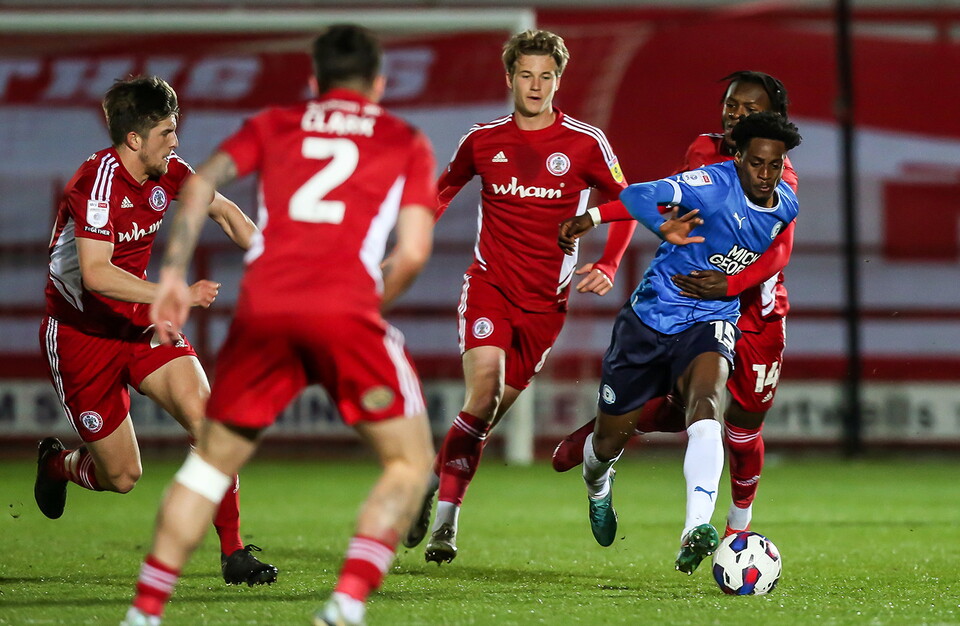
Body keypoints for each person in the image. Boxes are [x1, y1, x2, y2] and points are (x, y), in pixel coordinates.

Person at [121, 25, 437, 626]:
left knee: (209, 465)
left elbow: (201, 186)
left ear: (314, 83)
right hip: (344, 307)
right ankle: (344, 605)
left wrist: (171, 273)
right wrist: (371, 304)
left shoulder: (276, 123)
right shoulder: (404, 139)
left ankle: (144, 612)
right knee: (408, 464)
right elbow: (415, 251)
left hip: (265, 306)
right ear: (379, 84)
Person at [401, 28, 637, 565]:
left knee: (481, 419)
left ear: (559, 80)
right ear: (509, 78)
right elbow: (441, 189)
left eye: (545, 77)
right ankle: (446, 527)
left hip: (544, 309)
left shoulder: (585, 143)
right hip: (489, 287)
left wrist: (607, 261)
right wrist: (416, 232)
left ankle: (430, 487)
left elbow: (632, 203)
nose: (535, 86)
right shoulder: (482, 139)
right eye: (526, 75)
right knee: (480, 397)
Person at [35, 75, 277, 586]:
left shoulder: (169, 173)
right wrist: (177, 294)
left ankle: (233, 552)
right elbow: (97, 274)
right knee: (121, 477)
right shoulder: (94, 184)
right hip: (81, 337)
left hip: (143, 326)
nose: (176, 141)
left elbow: (226, 213)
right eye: (167, 132)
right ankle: (58, 465)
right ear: (134, 140)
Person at [552, 71, 798, 538]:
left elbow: (780, 250)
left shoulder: (779, 176)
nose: (736, 114)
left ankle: (732, 532)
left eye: (750, 109)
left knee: (739, 424)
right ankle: (604, 436)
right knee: (679, 406)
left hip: (752, 309)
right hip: (677, 302)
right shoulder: (707, 157)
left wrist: (731, 285)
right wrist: (596, 218)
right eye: (731, 105)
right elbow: (663, 201)